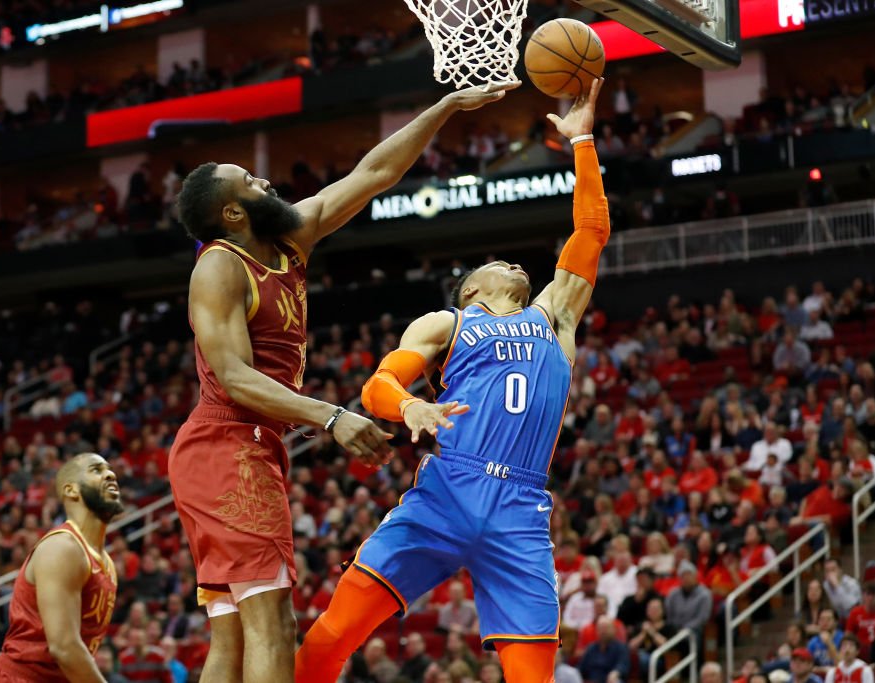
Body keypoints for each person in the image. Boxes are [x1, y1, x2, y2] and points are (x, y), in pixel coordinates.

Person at [171, 79, 518, 683]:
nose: (267, 183)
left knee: (231, 635)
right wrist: (329, 416)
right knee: (273, 623)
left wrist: (441, 108)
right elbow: (231, 376)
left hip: (246, 446)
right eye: (251, 183)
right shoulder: (221, 265)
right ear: (232, 213)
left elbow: (374, 172)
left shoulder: (286, 241)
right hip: (228, 445)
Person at [295, 78, 609, 683]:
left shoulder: (555, 315)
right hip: (448, 490)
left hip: (521, 504)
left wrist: (583, 141)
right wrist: (410, 408)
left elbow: (591, 232)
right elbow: (378, 384)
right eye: (498, 264)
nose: (516, 264)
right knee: (332, 635)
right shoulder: (449, 321)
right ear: (471, 287)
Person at [0, 453, 124, 682]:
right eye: (96, 470)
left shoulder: (106, 563)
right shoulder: (63, 547)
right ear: (71, 490)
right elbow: (64, 647)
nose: (111, 474)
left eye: (109, 469)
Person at [578, 617, 630, 683]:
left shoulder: (621, 647)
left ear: (614, 630)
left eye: (606, 628)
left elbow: (623, 665)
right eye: (600, 628)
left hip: (610, 680)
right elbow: (581, 668)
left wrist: (615, 673)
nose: (603, 631)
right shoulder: (591, 648)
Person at [846, 582, 875, 649]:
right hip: (861, 649)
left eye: (873, 594)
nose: (870, 598)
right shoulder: (855, 612)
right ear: (863, 596)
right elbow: (848, 635)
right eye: (868, 594)